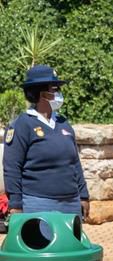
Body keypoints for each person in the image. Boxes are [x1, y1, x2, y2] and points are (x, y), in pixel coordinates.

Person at [3, 65, 89, 217]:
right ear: (41, 93)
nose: (59, 94)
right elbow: (12, 167)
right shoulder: (23, 124)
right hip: (38, 204)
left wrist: (83, 195)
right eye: (55, 89)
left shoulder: (63, 123)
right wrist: (15, 204)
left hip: (71, 204)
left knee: (71, 242)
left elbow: (74, 162)